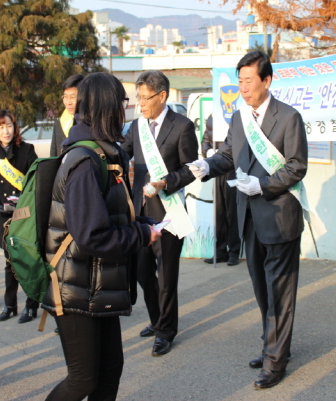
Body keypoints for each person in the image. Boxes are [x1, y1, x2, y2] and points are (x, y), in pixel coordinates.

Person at [189, 50, 308, 390]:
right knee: (261, 286)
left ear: (267, 80)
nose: (243, 87)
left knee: (280, 290)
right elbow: (228, 154)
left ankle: (275, 360)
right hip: (249, 217)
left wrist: (264, 185)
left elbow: (296, 165)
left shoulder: (288, 117)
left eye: (249, 80)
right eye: (239, 81)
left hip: (279, 215)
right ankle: (272, 343)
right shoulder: (240, 118)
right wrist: (206, 166)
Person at [44, 72, 160, 401]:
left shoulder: (105, 154)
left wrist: (144, 224)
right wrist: (141, 235)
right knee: (82, 380)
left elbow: (111, 214)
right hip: (74, 285)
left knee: (110, 371)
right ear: (107, 107)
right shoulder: (84, 161)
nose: (127, 110)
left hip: (97, 281)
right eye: (123, 103)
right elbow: (91, 235)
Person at [121, 70, 199, 356]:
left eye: (144, 97)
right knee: (142, 271)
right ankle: (156, 319)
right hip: (140, 213)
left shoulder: (182, 126)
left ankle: (166, 331)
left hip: (168, 210)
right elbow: (122, 152)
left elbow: (190, 168)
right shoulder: (136, 127)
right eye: (138, 98)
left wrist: (167, 182)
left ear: (162, 95)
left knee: (166, 275)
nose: (140, 104)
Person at [0, 109, 39, 323]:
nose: (5, 131)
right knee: (10, 263)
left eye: (8, 125)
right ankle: (10, 305)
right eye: (0, 127)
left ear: (15, 127)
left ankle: (31, 305)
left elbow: (36, 182)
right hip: (4, 216)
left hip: (25, 214)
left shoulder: (27, 150)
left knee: (28, 261)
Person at [201, 114, 240, 266]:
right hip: (217, 170)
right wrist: (208, 152)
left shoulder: (238, 116)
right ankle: (220, 251)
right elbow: (205, 142)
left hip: (234, 170)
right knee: (219, 213)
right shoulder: (212, 117)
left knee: (233, 212)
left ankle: (234, 252)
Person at [50, 74, 84, 156]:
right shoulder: (59, 124)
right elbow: (54, 157)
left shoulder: (92, 125)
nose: (68, 102)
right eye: (65, 97)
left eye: (73, 97)